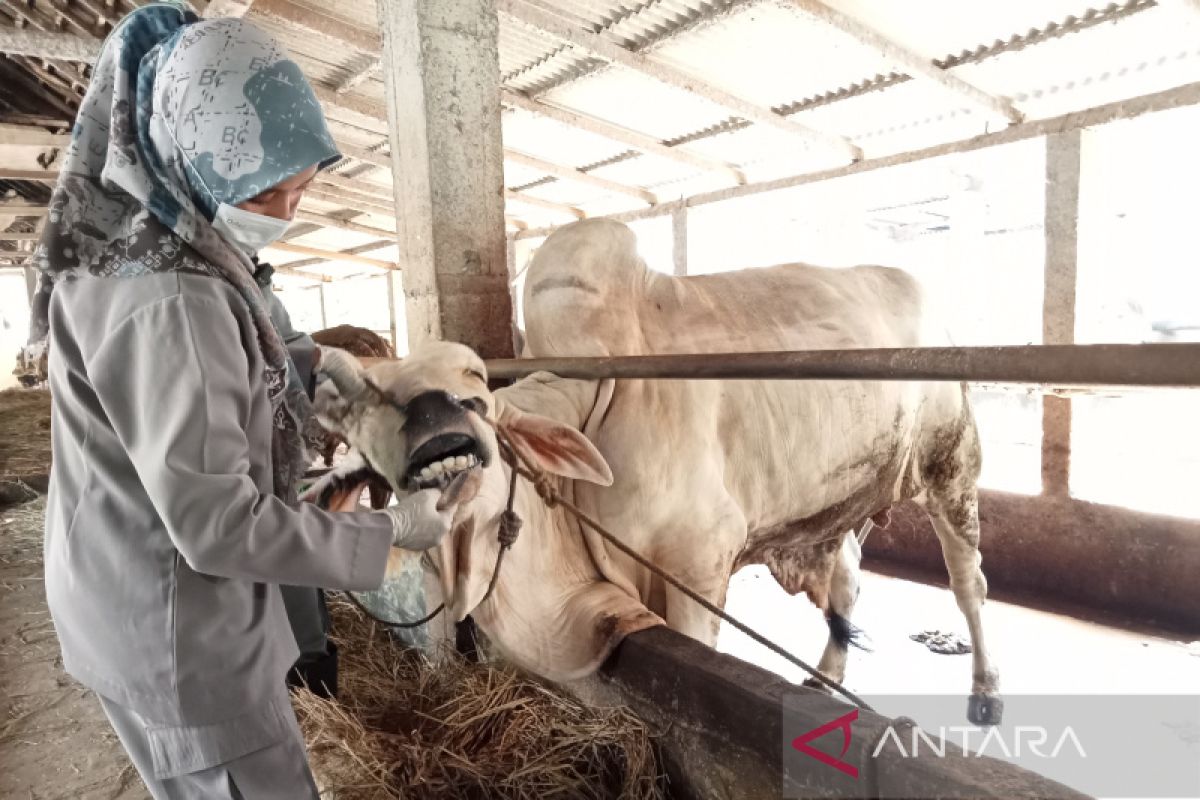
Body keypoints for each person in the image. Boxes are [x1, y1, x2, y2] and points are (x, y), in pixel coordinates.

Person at [26, 6, 454, 798]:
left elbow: (176, 382)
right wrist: (387, 532)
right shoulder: (174, 300)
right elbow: (219, 526)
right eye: (267, 191)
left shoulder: (129, 240)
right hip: (179, 636)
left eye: (302, 186)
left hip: (117, 591)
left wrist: (303, 360)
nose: (288, 211)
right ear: (200, 157)